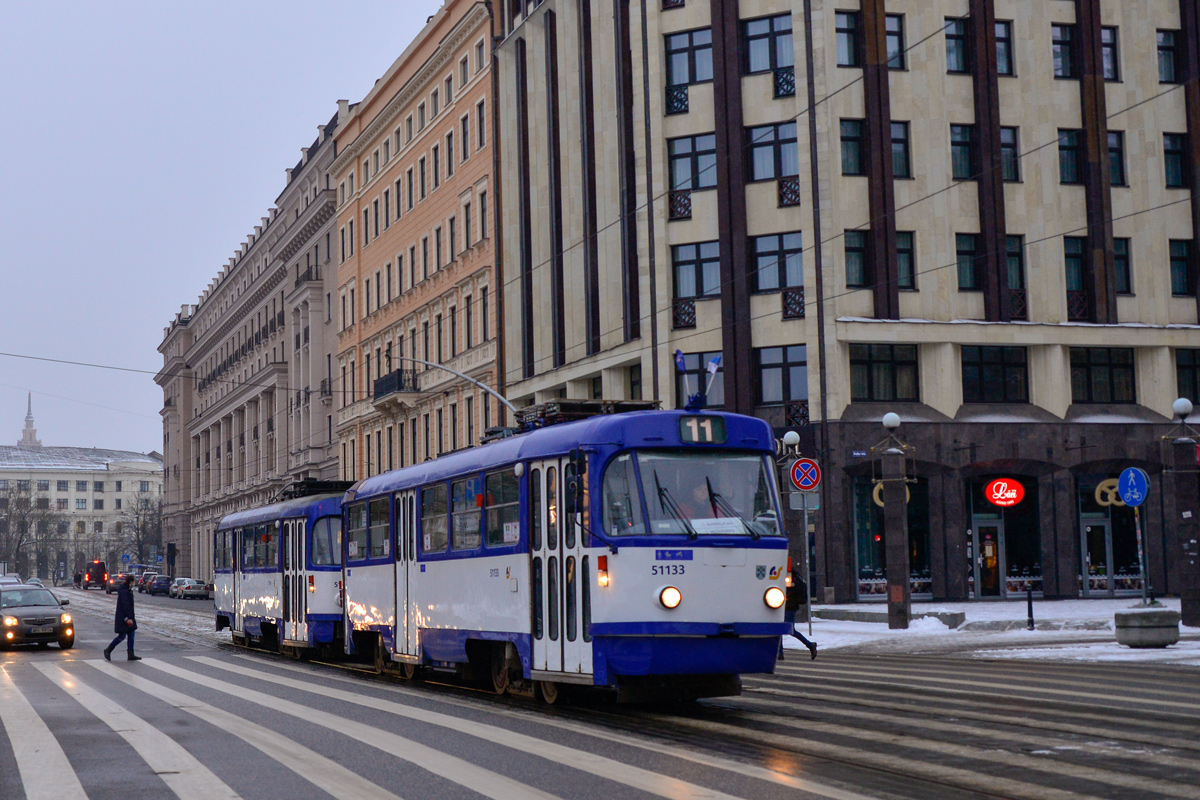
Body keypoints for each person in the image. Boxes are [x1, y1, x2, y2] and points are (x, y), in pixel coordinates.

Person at [780, 563, 817, 660]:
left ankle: (810, 645)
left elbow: (789, 591)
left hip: (788, 606)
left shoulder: (790, 576)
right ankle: (780, 653)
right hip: (788, 606)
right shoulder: (793, 575)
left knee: (789, 629)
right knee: (781, 628)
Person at [104, 574, 141, 661]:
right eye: (133, 581)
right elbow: (126, 605)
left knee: (131, 635)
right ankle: (108, 650)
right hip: (124, 618)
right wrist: (128, 618)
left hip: (127, 616)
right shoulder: (125, 591)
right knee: (122, 636)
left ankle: (131, 654)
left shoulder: (126, 590)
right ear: (131, 582)